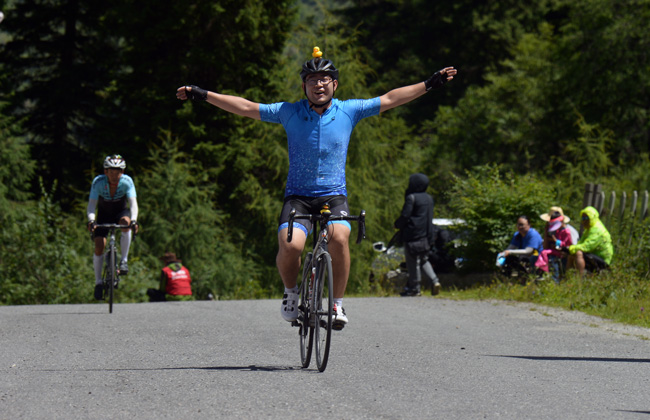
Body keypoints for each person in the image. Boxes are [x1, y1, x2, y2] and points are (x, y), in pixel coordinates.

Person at [177, 46, 456, 329]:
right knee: (291, 245)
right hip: (297, 196)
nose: (318, 85)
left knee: (340, 238)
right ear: (304, 86)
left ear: (335, 85)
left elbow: (390, 98)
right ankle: (291, 292)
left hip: (333, 195)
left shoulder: (349, 110)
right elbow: (246, 107)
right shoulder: (289, 112)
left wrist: (429, 84)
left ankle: (337, 304)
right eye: (312, 80)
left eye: (324, 80)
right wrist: (203, 94)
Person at [87, 155, 139, 300]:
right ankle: (98, 282)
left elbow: (133, 204)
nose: (115, 176)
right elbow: (91, 205)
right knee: (99, 246)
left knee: (125, 222)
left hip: (120, 212)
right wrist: (91, 221)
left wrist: (134, 220)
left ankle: (124, 261)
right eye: (111, 172)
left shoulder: (127, 182)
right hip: (103, 215)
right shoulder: (98, 182)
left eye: (118, 172)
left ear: (122, 172)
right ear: (106, 172)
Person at [393, 173, 441, 296]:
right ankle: (435, 281)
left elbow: (405, 215)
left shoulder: (411, 198)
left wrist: (397, 224)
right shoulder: (429, 198)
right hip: (425, 235)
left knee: (412, 262)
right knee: (424, 259)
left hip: (412, 235)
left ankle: (415, 288)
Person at [565, 206, 613, 275]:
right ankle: (567, 277)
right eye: (583, 218)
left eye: (586, 218)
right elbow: (580, 243)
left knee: (578, 253)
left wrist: (571, 248)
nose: (584, 221)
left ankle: (578, 279)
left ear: (592, 218)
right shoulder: (588, 229)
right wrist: (570, 249)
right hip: (593, 255)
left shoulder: (597, 230)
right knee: (572, 254)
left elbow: (587, 246)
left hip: (602, 260)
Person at [535, 210, 573, 283]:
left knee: (548, 255)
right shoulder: (557, 231)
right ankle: (543, 270)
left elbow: (566, 244)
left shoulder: (566, 231)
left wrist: (556, 241)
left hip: (563, 251)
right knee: (544, 252)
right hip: (556, 249)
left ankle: (554, 277)